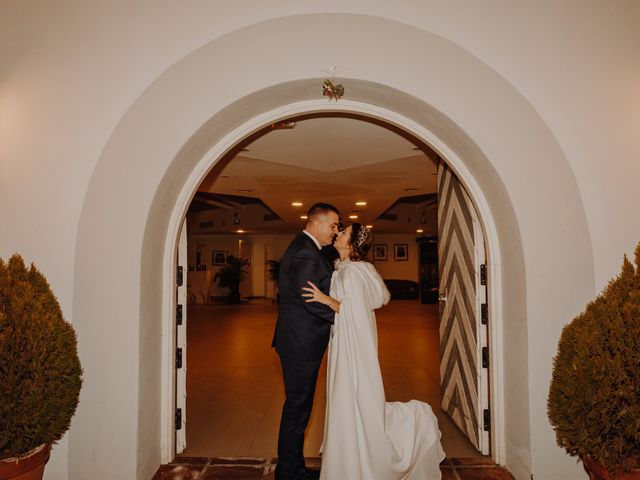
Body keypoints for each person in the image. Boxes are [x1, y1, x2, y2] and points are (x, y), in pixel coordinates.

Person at [302, 223, 445, 480]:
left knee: (355, 398)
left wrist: (325, 299)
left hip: (353, 347)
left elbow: (354, 313)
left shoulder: (353, 273)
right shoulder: (347, 269)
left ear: (353, 244)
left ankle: (413, 426)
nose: (338, 234)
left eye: (343, 233)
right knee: (349, 399)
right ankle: (347, 463)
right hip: (346, 341)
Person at [272, 202, 341, 480]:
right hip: (301, 343)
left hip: (301, 341)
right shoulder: (305, 252)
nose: (335, 232)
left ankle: (292, 468)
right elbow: (310, 299)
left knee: (298, 407)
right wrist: (347, 318)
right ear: (317, 223)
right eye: (333, 225)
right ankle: (289, 472)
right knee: (298, 409)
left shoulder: (310, 249)